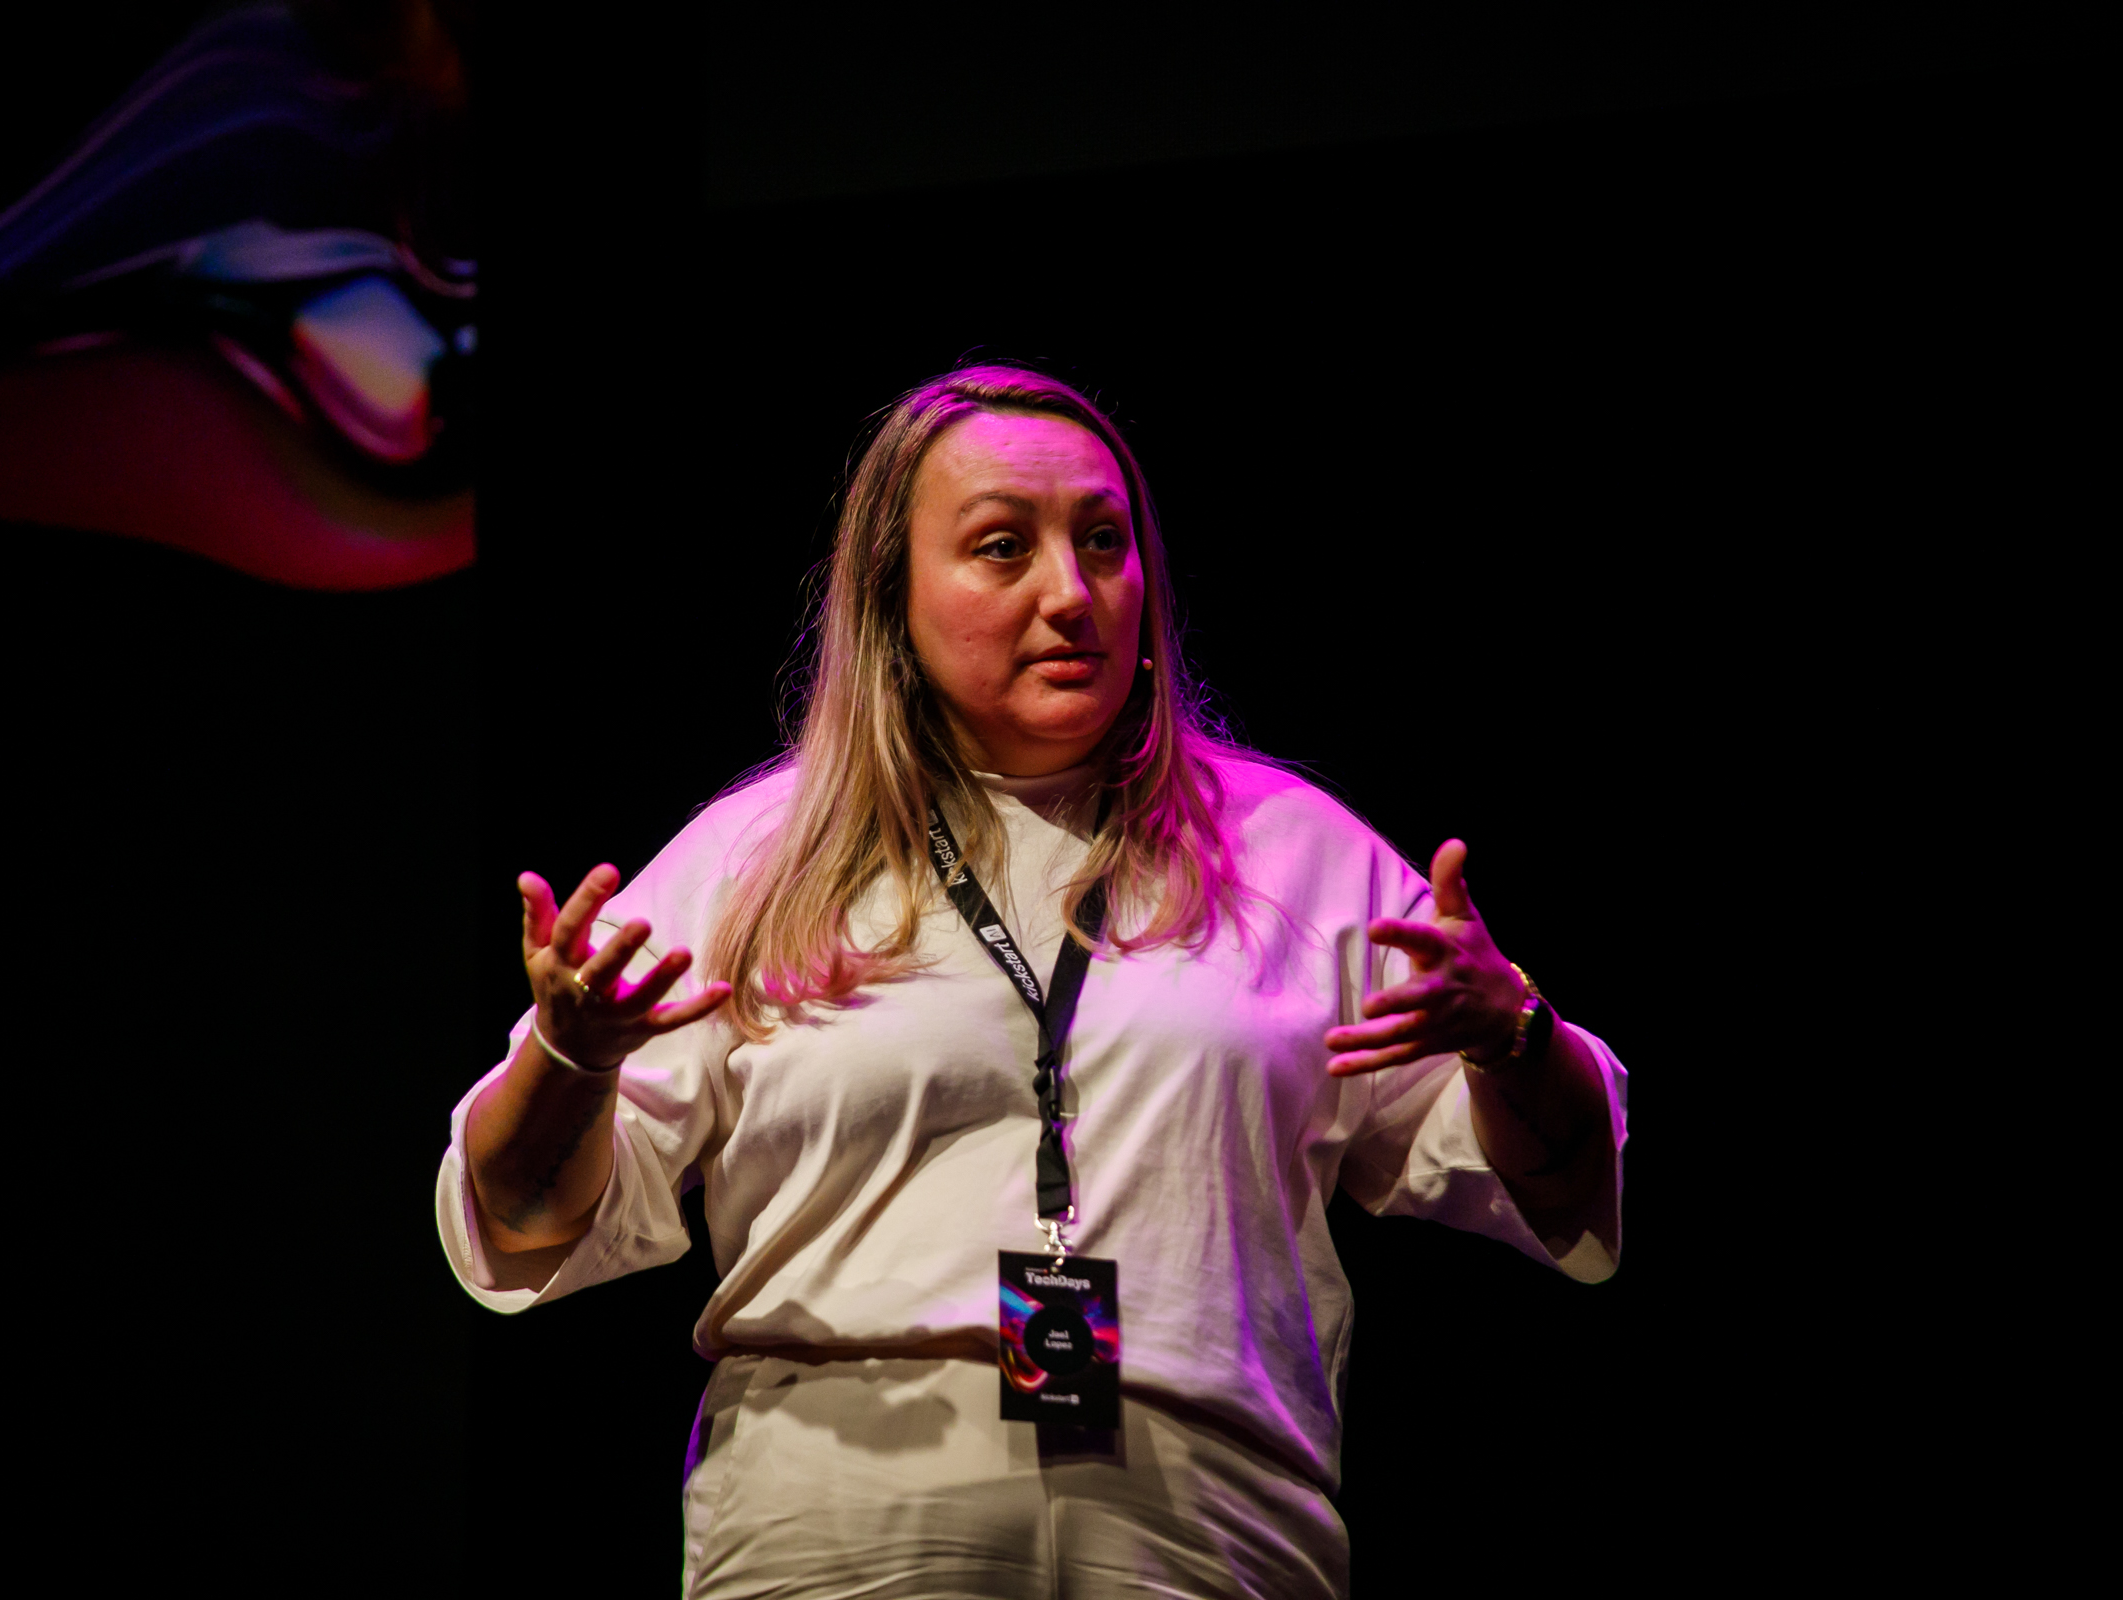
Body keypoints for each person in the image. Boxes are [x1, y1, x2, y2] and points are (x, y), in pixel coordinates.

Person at [438, 364, 1628, 1597]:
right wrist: (571, 1057)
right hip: (842, 1533)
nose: (1072, 593)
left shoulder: (1294, 855)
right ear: (892, 595)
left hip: (1205, 1540)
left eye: (1104, 541)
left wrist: (1515, 1035)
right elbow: (520, 1223)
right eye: (1002, 546)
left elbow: (1565, 1195)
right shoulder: (759, 861)